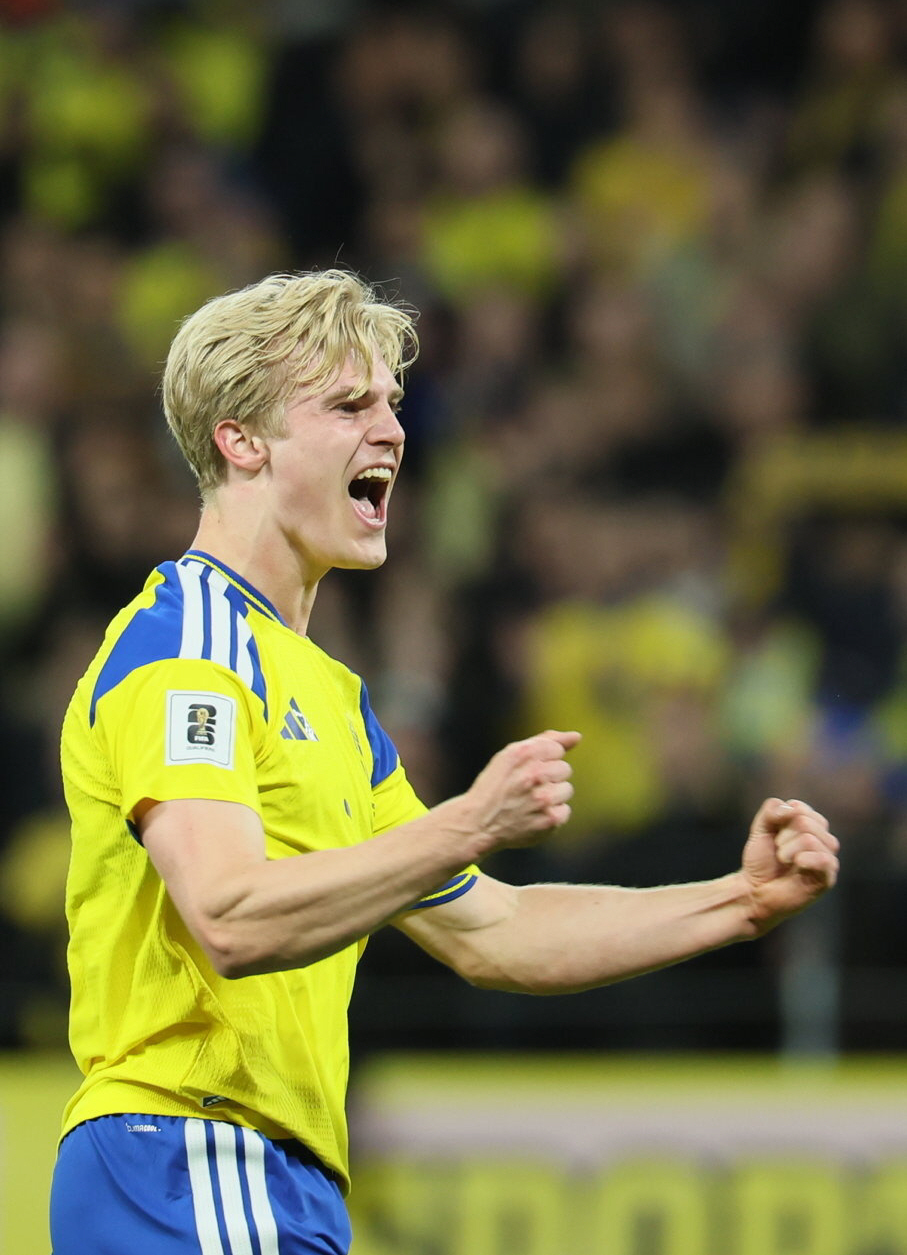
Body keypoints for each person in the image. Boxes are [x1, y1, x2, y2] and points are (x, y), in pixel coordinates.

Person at [50, 269, 839, 1255]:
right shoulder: (193, 649)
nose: (390, 429)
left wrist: (740, 900)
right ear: (240, 440)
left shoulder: (330, 696)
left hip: (272, 1176)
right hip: (185, 1155)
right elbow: (228, 913)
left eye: (390, 401)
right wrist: (465, 819)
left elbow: (494, 930)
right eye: (347, 404)